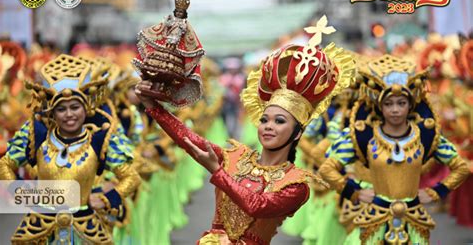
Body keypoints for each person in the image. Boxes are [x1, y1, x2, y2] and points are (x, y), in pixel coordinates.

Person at [136, 16, 356, 244]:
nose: (269, 126)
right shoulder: (235, 158)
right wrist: (153, 107)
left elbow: (258, 206)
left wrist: (217, 171)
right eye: (265, 120)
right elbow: (189, 139)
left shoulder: (296, 185)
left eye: (279, 121)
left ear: (297, 132)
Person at [319, 54, 470, 244]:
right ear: (379, 106)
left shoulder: (425, 136)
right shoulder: (363, 136)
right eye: (388, 104)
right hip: (376, 221)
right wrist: (355, 192)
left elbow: (461, 168)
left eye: (401, 103)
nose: (395, 110)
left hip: (414, 222)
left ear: (411, 104)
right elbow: (326, 169)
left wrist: (436, 192)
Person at [0, 54, 141, 244]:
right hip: (40, 231)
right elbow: (4, 164)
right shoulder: (38, 135)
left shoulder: (99, 139)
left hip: (84, 230)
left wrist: (108, 199)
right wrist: (21, 192)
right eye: (61, 109)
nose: (69, 115)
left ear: (86, 109)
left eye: (75, 107)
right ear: (52, 112)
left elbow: (131, 177)